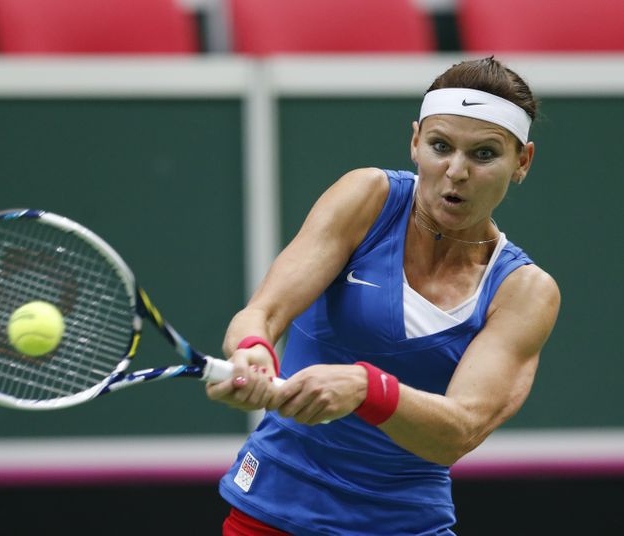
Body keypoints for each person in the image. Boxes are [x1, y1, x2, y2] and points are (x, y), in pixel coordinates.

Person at [206, 57, 561, 535]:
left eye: (483, 155)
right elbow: (262, 313)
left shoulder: (524, 291)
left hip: (404, 525)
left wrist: (365, 388)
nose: (456, 171)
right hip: (273, 510)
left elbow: (458, 431)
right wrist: (253, 352)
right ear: (415, 142)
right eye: (440, 146)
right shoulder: (368, 197)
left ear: (522, 162)